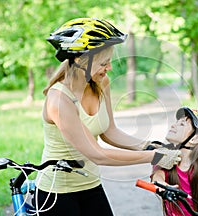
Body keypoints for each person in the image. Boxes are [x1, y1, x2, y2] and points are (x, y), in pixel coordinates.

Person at [33, 18, 181, 216]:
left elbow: (110, 132)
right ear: (79, 59)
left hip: (91, 186)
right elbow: (97, 154)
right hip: (58, 193)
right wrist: (155, 157)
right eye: (104, 62)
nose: (109, 67)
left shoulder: (101, 83)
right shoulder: (59, 99)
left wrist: (147, 146)